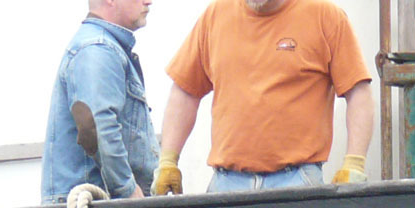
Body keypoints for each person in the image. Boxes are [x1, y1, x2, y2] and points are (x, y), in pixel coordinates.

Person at [152, 0, 375, 195]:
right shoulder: (215, 16)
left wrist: (354, 163)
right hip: (227, 183)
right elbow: (185, 91)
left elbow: (358, 92)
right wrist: (168, 161)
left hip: (297, 182)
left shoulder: (325, 16)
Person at [41, 0, 160, 204]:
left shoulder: (101, 47)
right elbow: (97, 126)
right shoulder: (97, 49)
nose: (149, 1)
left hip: (95, 206)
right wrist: (128, 190)